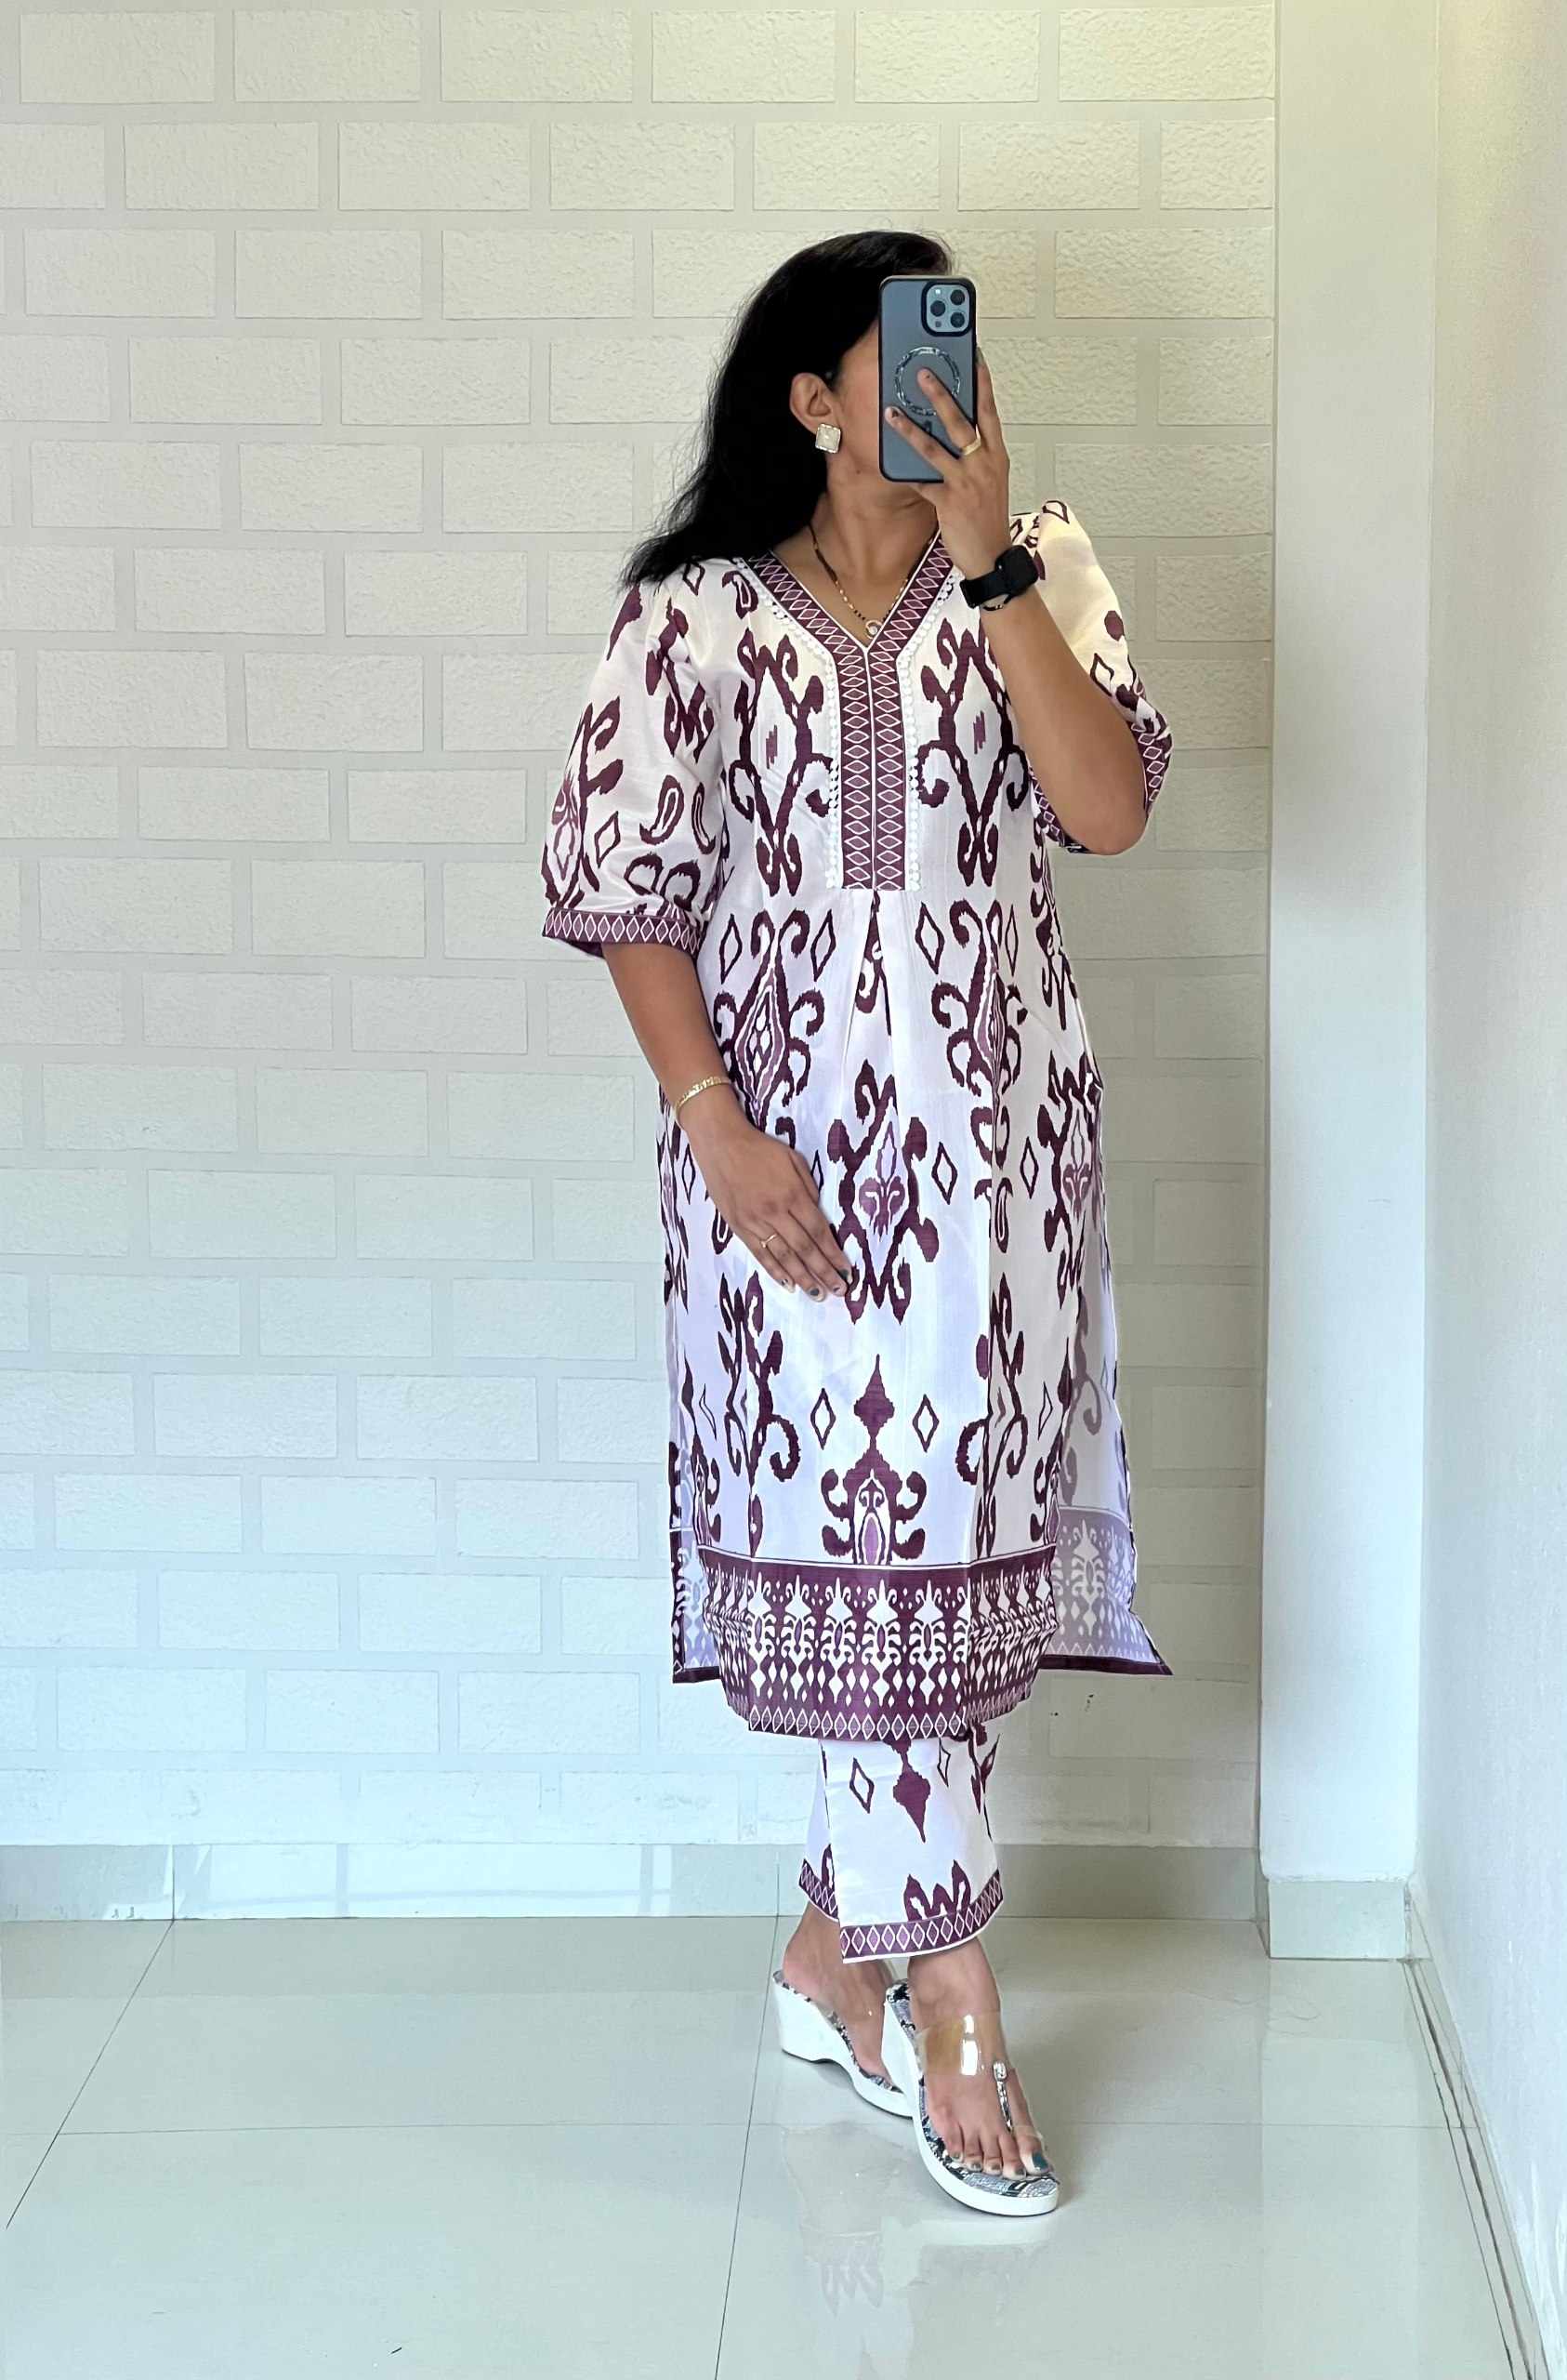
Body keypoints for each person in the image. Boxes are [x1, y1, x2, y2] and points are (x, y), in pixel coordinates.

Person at [539, 230, 1173, 2215]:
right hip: (784, 1175)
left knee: (950, 1546)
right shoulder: (693, 618)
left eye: (956, 352)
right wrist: (717, 1131)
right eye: (900, 357)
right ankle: (951, 1995)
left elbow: (1107, 810)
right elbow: (626, 891)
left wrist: (992, 573)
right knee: (856, 1542)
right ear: (814, 400)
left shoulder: (1041, 566)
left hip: (998, 1167)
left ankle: (838, 1956)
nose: (942, 388)